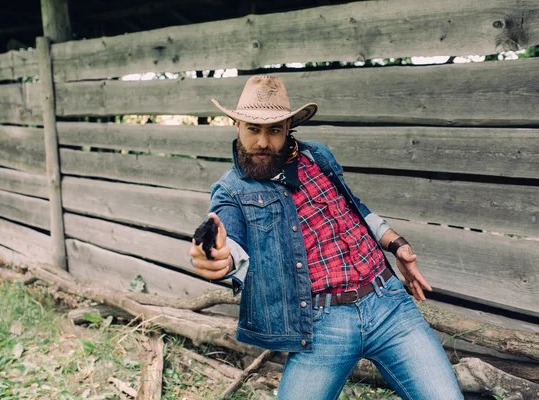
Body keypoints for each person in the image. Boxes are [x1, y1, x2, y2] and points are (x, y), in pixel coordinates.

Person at [189, 75, 463, 400]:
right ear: (236, 124)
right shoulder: (232, 189)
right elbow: (229, 237)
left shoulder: (317, 156)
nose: (262, 141)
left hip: (387, 302)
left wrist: (396, 243)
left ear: (288, 126)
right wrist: (221, 256)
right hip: (322, 323)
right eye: (253, 128)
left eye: (273, 129)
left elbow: (353, 206)